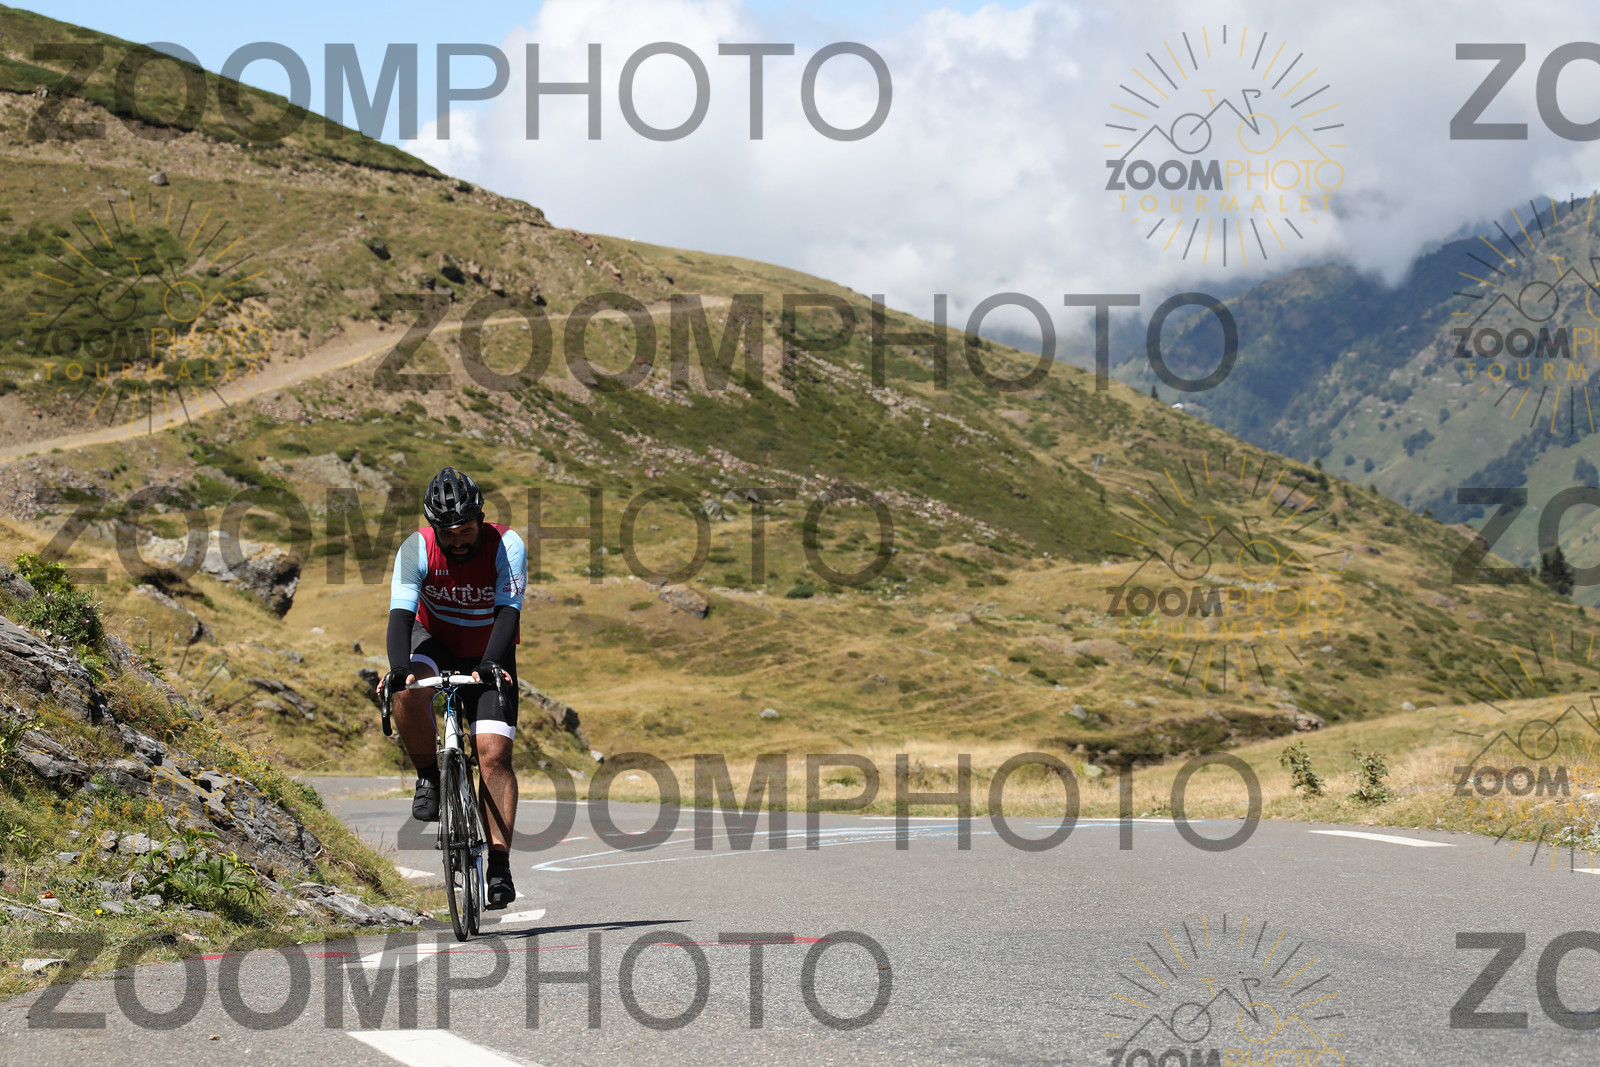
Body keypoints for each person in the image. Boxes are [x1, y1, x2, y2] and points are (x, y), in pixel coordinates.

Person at [378, 467, 526, 908]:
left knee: (493, 755)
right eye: (448, 533)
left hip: (489, 650)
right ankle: (428, 775)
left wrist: (490, 664)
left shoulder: (507, 545)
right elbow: (401, 617)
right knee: (407, 688)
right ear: (434, 529)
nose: (458, 541)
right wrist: (398, 669)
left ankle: (499, 865)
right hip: (433, 642)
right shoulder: (415, 549)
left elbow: (508, 612)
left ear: (480, 519)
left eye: (466, 530)